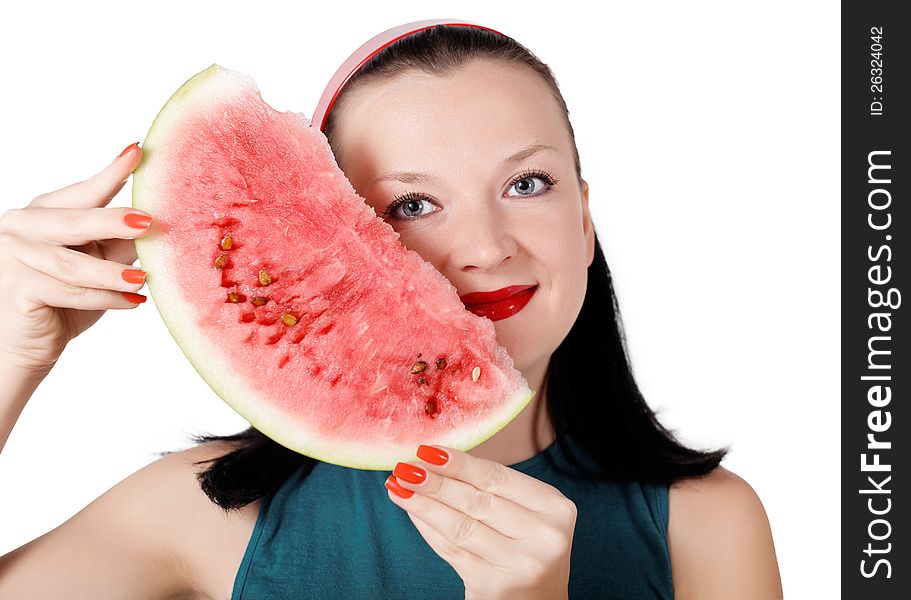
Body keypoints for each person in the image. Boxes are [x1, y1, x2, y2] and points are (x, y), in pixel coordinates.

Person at [0, 20, 783, 599]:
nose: (483, 246)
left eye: (527, 183)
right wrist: (12, 352)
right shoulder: (206, 511)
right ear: (333, 243)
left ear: (584, 219)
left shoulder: (706, 526)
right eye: (411, 202)